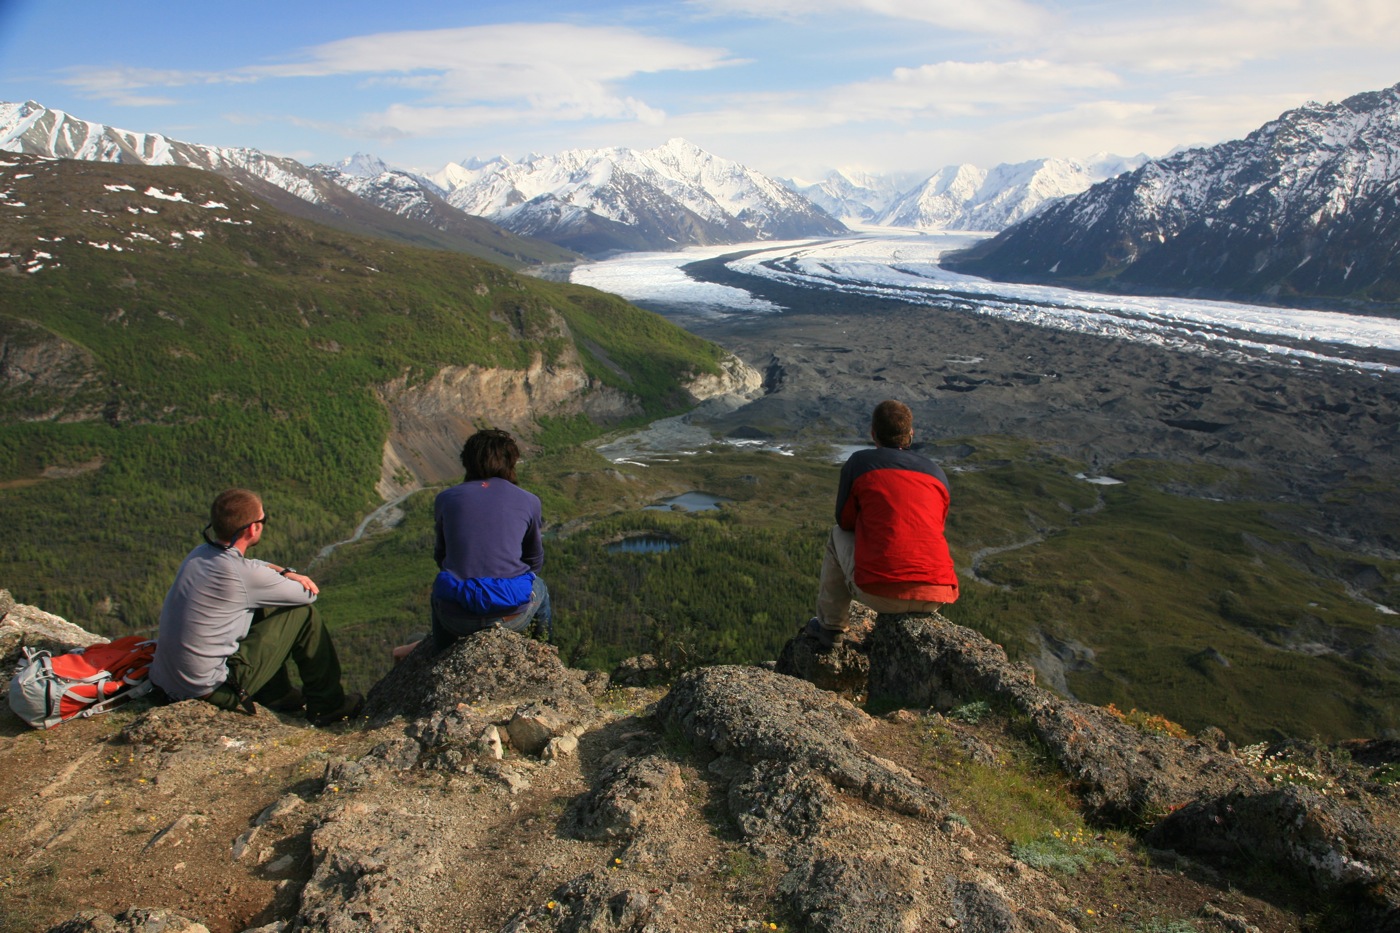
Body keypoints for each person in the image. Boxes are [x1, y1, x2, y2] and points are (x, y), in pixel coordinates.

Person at [150, 488, 362, 725]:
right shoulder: (243, 576)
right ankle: (328, 706)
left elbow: (249, 564)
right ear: (253, 528)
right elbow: (307, 595)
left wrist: (283, 571)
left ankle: (278, 694)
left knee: (264, 604)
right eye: (263, 519)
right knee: (303, 614)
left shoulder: (200, 554)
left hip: (168, 680)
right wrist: (293, 577)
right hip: (212, 690)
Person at [807, 399, 958, 649]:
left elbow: (845, 521)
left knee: (837, 536)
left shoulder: (860, 463)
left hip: (881, 593)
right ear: (911, 434)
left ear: (873, 433)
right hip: (937, 595)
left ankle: (830, 628)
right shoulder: (936, 473)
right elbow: (938, 525)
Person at [429, 428, 552, 649]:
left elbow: (442, 556)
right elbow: (534, 560)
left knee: (440, 588)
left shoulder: (445, 499)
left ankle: (439, 654)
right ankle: (545, 651)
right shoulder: (529, 500)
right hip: (511, 617)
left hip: (457, 620)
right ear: (510, 462)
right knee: (539, 586)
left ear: (467, 461)